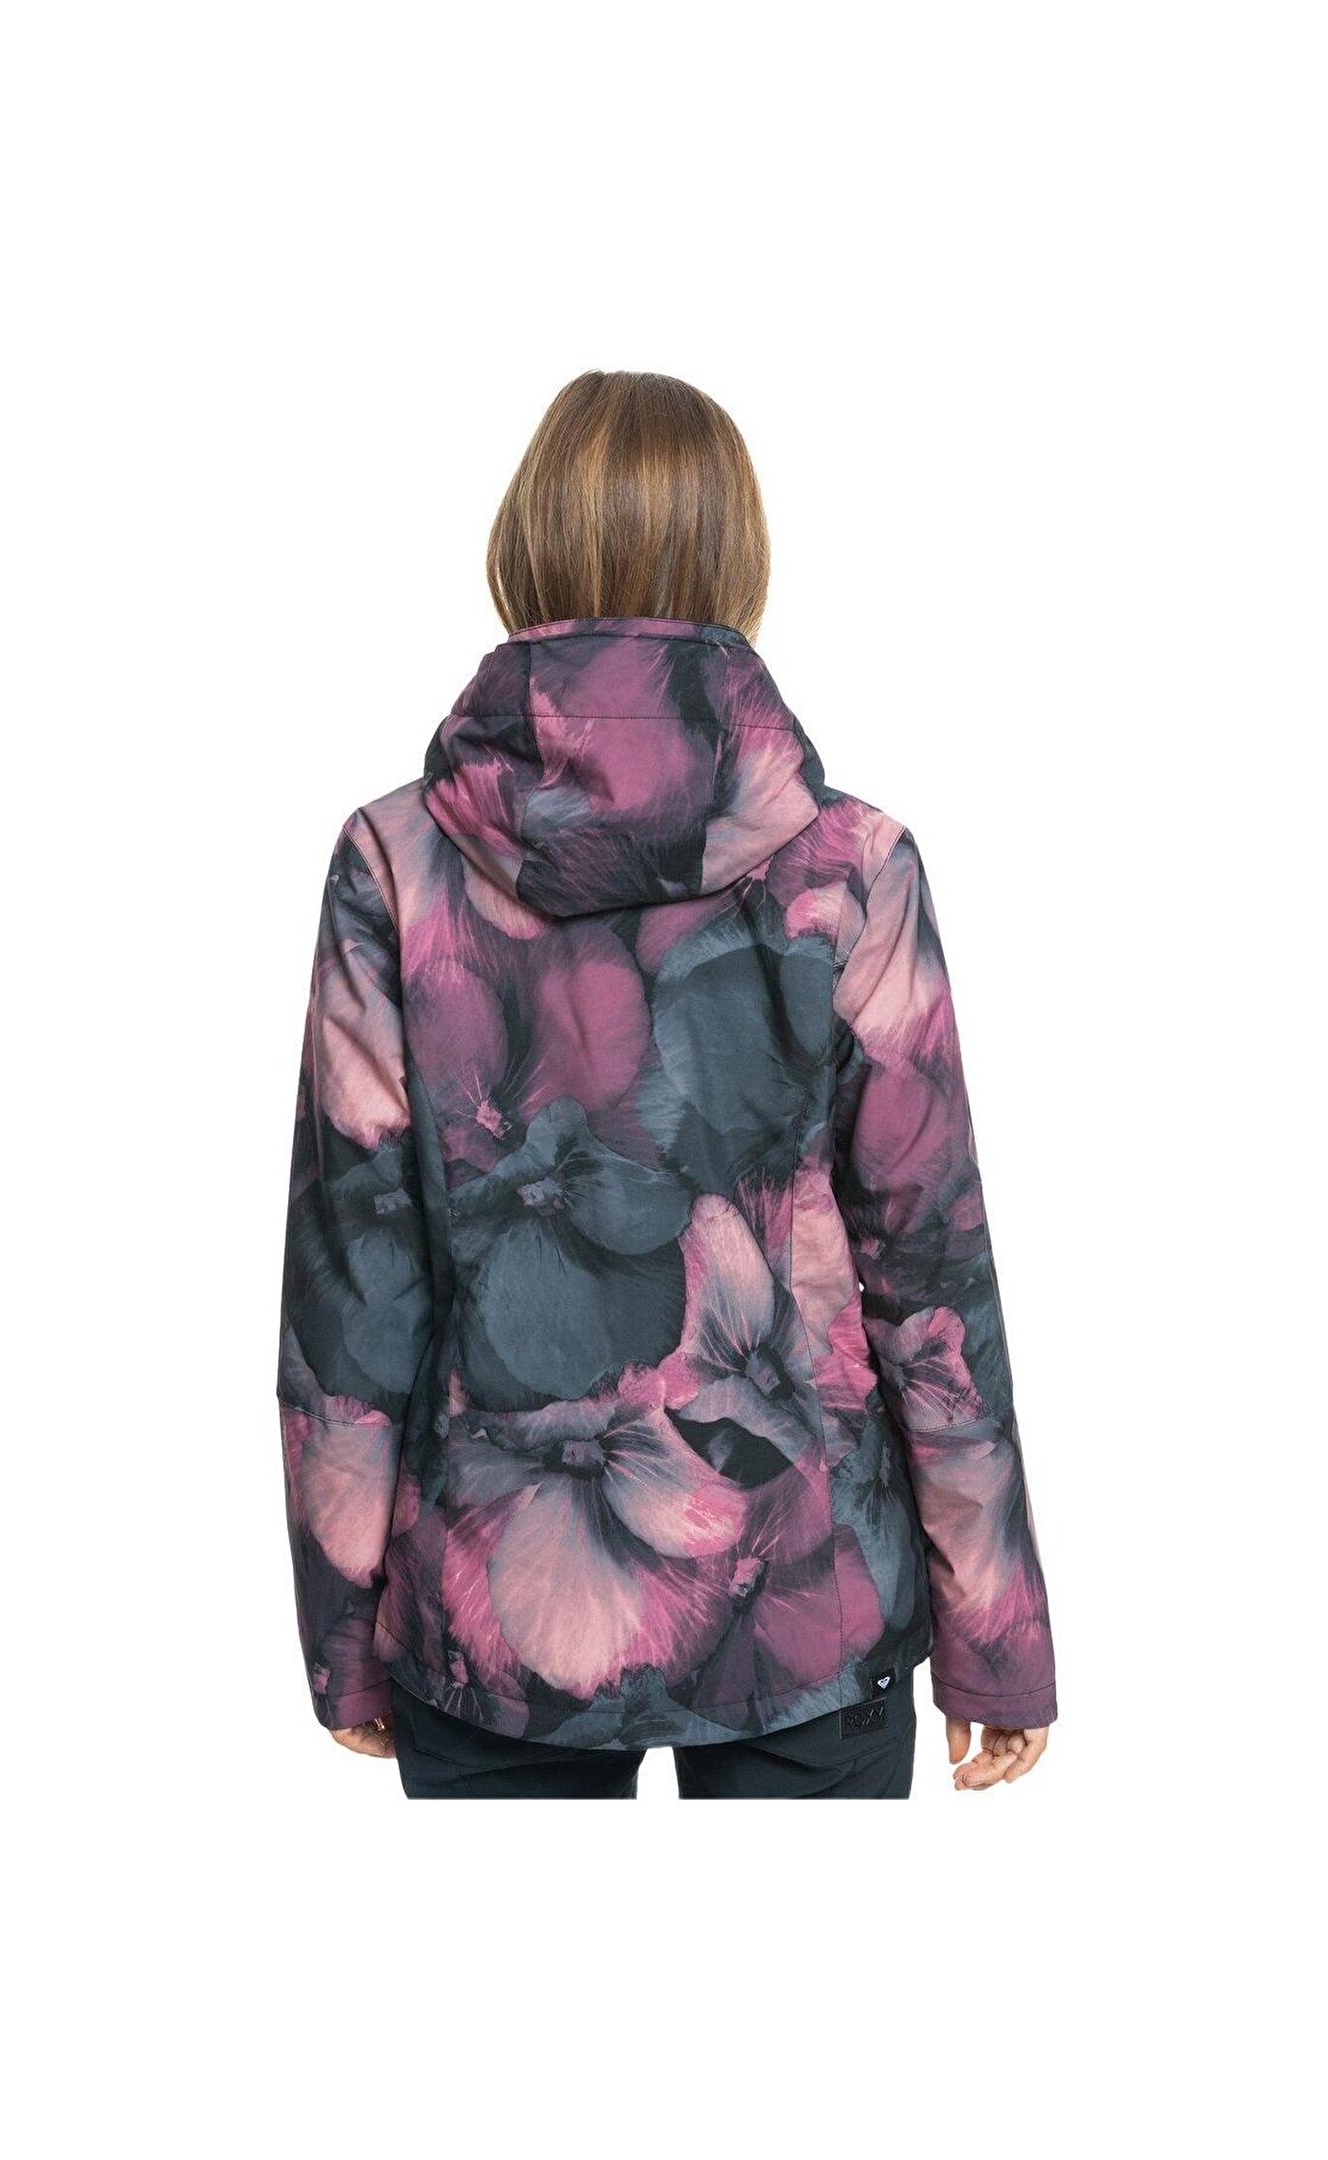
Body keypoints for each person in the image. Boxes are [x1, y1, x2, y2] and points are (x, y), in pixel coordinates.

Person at [278, 370, 1057, 1800]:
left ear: (522, 548)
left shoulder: (396, 860)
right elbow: (931, 1264)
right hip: (805, 1591)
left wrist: (346, 1637)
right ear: (737, 559)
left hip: (490, 1607)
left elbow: (353, 1281)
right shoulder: (849, 866)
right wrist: (995, 1635)